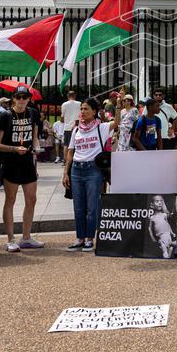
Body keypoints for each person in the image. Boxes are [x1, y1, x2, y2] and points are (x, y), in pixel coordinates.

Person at [0, 85, 44, 252]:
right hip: (11, 161)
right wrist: (14, 149)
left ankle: (26, 237)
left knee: (32, 199)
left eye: (25, 97)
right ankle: (11, 239)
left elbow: (35, 137)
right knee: (11, 199)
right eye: (19, 97)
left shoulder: (33, 113)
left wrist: (36, 147)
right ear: (13, 98)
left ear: (29, 98)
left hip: (28, 161)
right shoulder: (4, 116)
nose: (22, 100)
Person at [62, 97, 116, 252]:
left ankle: (89, 238)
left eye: (86, 109)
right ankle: (79, 238)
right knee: (78, 206)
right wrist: (66, 173)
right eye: (81, 109)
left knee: (92, 206)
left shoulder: (102, 127)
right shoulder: (76, 129)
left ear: (94, 111)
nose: (83, 112)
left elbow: (117, 122)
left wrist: (118, 106)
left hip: (93, 169)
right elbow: (70, 152)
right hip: (76, 170)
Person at [59, 91, 82, 165]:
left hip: (67, 127)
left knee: (66, 145)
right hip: (77, 126)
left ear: (67, 95)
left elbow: (62, 119)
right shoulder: (79, 103)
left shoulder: (64, 104)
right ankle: (77, 159)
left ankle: (65, 161)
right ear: (75, 95)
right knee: (78, 144)